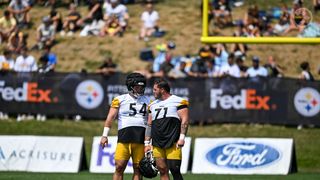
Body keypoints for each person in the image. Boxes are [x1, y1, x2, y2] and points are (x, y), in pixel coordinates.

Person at [100, 72, 151, 180]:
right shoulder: (120, 99)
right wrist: (104, 135)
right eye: (138, 87)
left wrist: (149, 141)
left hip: (141, 138)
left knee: (138, 169)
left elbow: (151, 122)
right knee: (119, 167)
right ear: (131, 87)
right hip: (124, 137)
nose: (140, 89)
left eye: (142, 87)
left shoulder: (149, 101)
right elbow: (110, 117)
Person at [145, 78, 189, 180]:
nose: (153, 91)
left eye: (155, 89)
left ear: (162, 90)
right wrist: (147, 143)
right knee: (162, 170)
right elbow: (149, 124)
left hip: (173, 141)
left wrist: (182, 137)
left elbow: (185, 121)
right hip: (157, 143)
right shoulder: (152, 105)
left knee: (175, 170)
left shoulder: (178, 101)